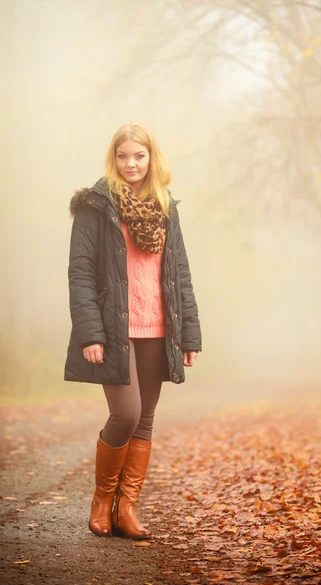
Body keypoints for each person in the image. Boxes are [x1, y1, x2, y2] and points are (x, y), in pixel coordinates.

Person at [64, 123, 202, 540]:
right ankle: (102, 500)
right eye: (123, 156)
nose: (131, 164)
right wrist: (91, 333)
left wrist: (190, 335)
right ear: (114, 158)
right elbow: (81, 273)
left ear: (151, 158)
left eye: (138, 156)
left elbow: (180, 273)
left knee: (146, 419)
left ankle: (127, 508)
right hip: (113, 329)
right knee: (126, 414)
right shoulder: (95, 206)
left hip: (159, 327)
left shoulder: (165, 207)